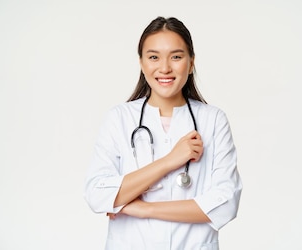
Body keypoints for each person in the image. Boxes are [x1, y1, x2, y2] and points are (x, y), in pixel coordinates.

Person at [83, 16, 243, 250]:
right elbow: (97, 194)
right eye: (153, 57)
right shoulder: (119, 118)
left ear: (191, 63)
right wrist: (170, 160)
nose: (165, 68)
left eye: (176, 57)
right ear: (141, 63)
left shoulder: (213, 120)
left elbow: (225, 203)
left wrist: (142, 208)